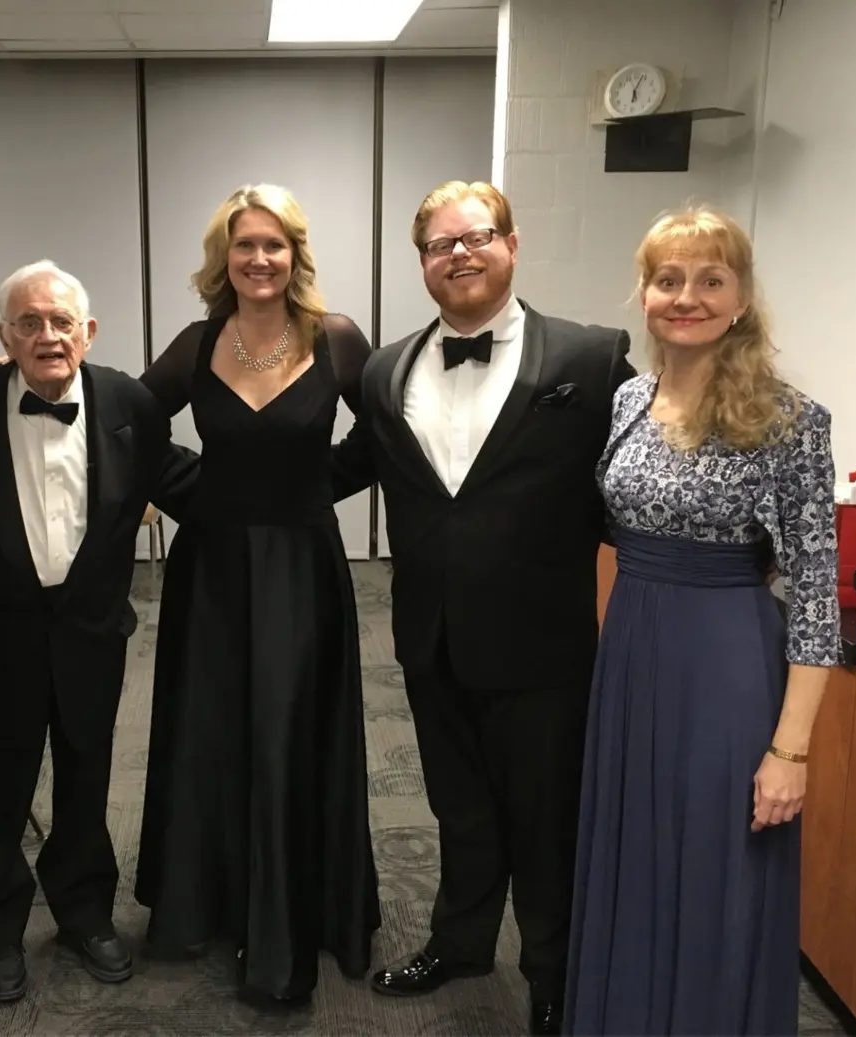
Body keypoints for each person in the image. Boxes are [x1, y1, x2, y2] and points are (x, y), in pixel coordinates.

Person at [331, 180, 634, 1036]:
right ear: (421, 260)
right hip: (430, 636)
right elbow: (342, 467)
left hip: (542, 642)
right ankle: (460, 942)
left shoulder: (588, 357)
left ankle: (551, 970)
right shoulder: (387, 369)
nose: (458, 254)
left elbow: (656, 450)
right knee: (455, 806)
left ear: (510, 242)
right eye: (438, 244)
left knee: (545, 820)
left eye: (475, 237)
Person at [564, 208, 839, 1035]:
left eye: (709, 279)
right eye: (668, 279)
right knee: (635, 861)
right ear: (643, 293)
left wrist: (789, 751)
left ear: (742, 296)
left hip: (723, 670)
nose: (686, 297)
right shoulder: (625, 399)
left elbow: (817, 595)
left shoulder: (790, 421)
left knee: (716, 875)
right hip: (630, 660)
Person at [134, 184, 381, 1005]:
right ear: (224, 258)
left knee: (286, 729)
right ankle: (209, 901)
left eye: (274, 245)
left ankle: (289, 923)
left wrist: (313, 490)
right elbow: (126, 422)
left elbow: (384, 434)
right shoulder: (199, 340)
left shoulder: (335, 338)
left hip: (303, 568)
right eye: (244, 245)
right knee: (215, 728)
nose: (259, 259)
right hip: (211, 571)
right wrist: (194, 495)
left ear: (294, 254)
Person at [0, 261, 197, 1003]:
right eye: (28, 322)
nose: (46, 335)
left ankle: (84, 913)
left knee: (86, 779)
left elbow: (179, 480)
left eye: (61, 322)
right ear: (3, 336)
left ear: (87, 332)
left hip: (90, 630)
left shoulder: (131, 401)